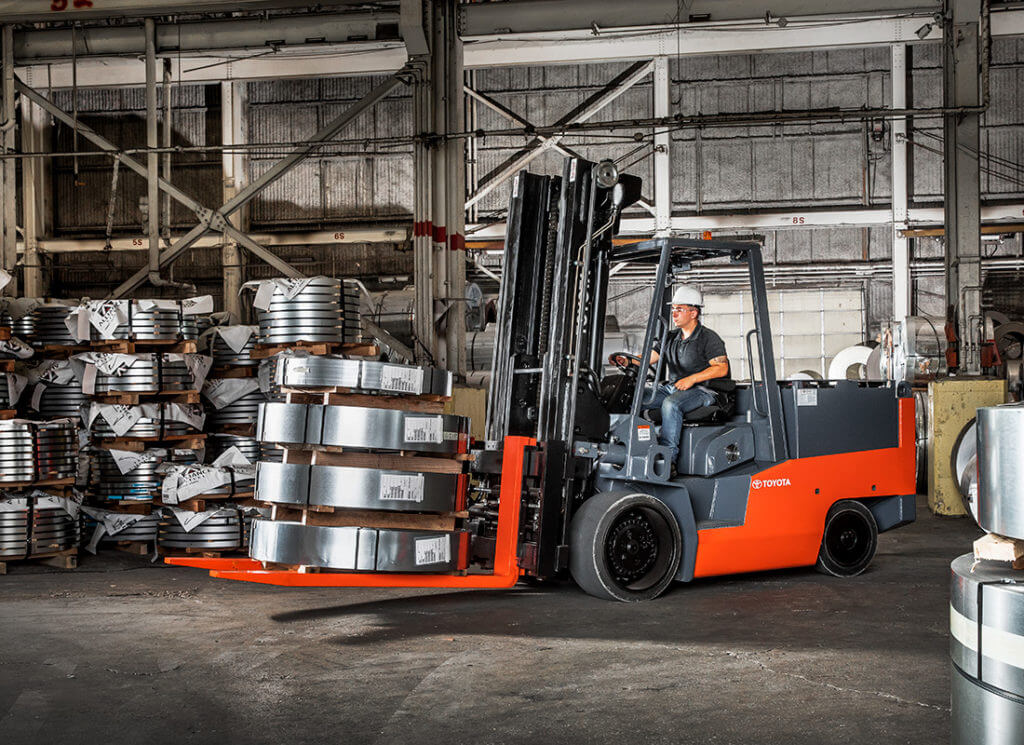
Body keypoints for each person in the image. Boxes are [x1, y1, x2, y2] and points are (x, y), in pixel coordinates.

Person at [611, 284, 730, 462]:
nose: (674, 314)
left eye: (679, 310)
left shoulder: (708, 338)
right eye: (673, 309)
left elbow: (722, 368)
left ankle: (668, 458)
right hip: (674, 387)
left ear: (693, 313)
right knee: (634, 397)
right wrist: (628, 360)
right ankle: (628, 446)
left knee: (671, 404)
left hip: (704, 390)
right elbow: (650, 356)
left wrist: (692, 379)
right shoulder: (671, 337)